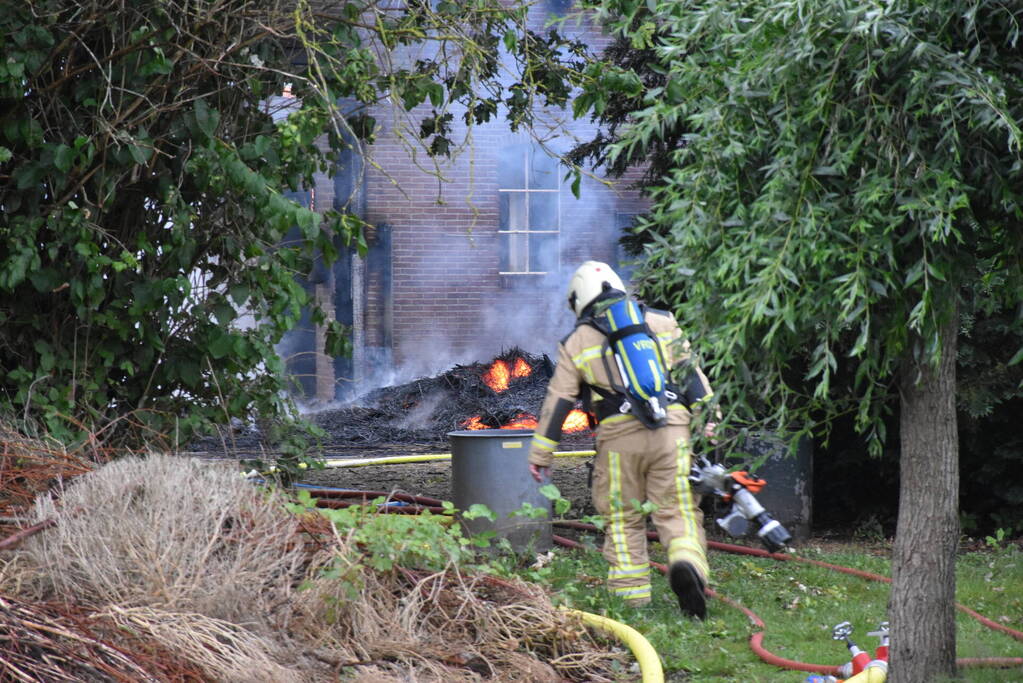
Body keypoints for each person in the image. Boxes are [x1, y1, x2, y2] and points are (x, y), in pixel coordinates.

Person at [527, 260, 715, 619]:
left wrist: (541, 454)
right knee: (679, 509)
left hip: (618, 441)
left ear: (578, 300)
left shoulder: (577, 341)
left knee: (622, 517)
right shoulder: (661, 321)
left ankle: (632, 599)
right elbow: (693, 376)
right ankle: (687, 563)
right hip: (671, 431)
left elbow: (559, 401)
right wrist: (711, 419)